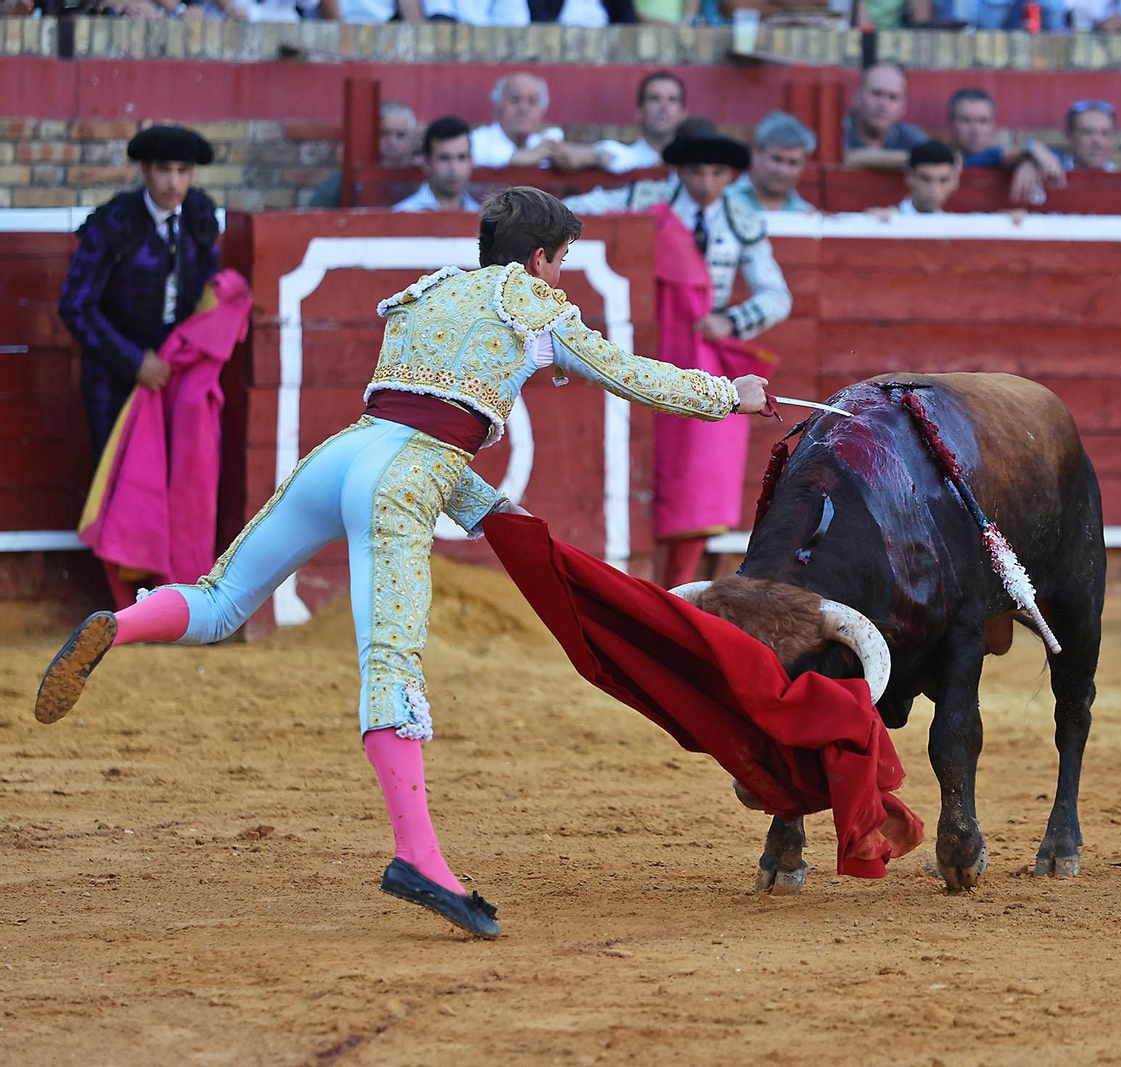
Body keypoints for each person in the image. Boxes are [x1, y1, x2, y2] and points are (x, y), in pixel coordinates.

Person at [33, 186, 772, 942]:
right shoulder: (534, 304)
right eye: (562, 263)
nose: (561, 279)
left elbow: (423, 413)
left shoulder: (429, 293)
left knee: (221, 600)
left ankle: (118, 625)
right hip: (404, 480)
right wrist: (730, 394)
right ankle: (418, 857)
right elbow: (629, 377)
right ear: (541, 256)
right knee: (390, 664)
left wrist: (487, 508)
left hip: (344, 453)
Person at [564, 126, 792, 587]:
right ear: (679, 171)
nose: (706, 184)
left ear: (730, 176)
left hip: (701, 345)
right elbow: (572, 214)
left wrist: (731, 322)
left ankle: (673, 583)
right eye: (696, 172)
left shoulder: (742, 218)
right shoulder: (644, 199)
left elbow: (777, 296)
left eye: (716, 173)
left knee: (697, 467)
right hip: (645, 340)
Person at [58, 125, 221, 460]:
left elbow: (210, 292)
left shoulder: (199, 216)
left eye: (183, 171)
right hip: (114, 375)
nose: (174, 183)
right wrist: (133, 361)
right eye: (164, 169)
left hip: (177, 370)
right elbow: (75, 305)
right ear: (145, 170)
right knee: (116, 474)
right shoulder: (114, 222)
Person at [551, 71, 686, 174]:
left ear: (683, 114)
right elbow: (611, 154)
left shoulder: (693, 165)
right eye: (654, 98)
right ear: (639, 113)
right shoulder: (622, 153)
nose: (663, 106)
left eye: (672, 99)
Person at [1009, 99, 1119, 205]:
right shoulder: (1048, 166)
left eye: (1105, 133)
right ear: (1069, 136)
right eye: (1087, 132)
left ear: (1114, 139)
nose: (1097, 141)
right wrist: (1029, 161)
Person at [309, 101, 417, 209]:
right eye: (383, 133)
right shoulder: (343, 183)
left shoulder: (420, 182)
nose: (392, 142)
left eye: (401, 135)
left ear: (413, 140)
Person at [842, 62, 929, 172]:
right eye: (876, 94)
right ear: (857, 97)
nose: (883, 105)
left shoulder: (914, 139)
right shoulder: (834, 134)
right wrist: (910, 158)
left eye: (893, 97)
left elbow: (932, 163)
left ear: (903, 107)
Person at [728, 111, 817, 213]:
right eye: (777, 160)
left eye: (793, 163)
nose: (784, 171)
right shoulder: (723, 203)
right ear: (756, 154)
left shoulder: (805, 214)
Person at [470, 73, 564, 168]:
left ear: (542, 110)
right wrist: (534, 155)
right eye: (514, 100)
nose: (523, 109)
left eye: (532, 101)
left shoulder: (543, 141)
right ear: (498, 105)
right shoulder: (476, 140)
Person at [393, 118, 480, 214]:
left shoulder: (480, 215)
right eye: (444, 158)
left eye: (462, 157)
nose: (454, 168)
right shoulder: (404, 213)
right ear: (426, 163)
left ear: (471, 162)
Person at [890, 140, 961, 215]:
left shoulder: (952, 223)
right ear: (910, 176)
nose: (934, 190)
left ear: (954, 180)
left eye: (943, 180)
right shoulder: (887, 220)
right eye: (926, 179)